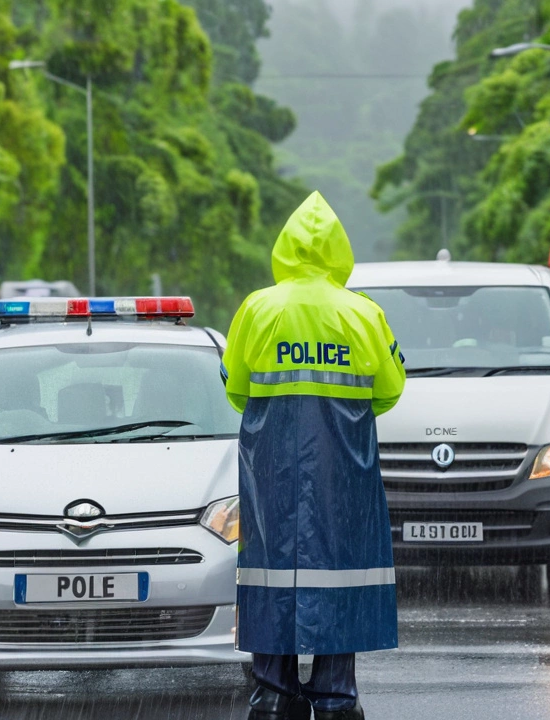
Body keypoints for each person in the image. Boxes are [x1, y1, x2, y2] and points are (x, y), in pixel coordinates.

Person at [222, 191, 406, 720]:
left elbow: (235, 389)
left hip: (270, 463)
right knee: (339, 570)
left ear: (284, 248)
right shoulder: (364, 312)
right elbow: (390, 390)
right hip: (343, 463)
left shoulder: (257, 307)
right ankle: (333, 696)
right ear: (338, 251)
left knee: (271, 569)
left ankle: (273, 693)